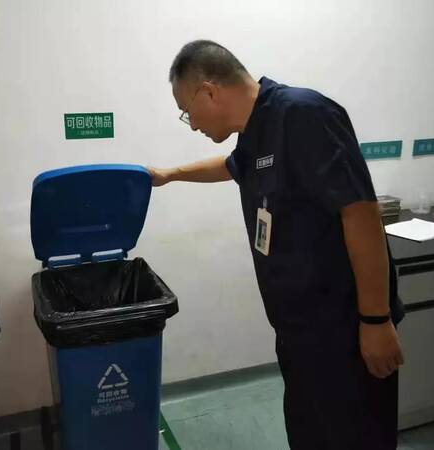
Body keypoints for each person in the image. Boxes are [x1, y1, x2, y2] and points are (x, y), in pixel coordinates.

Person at [149, 40, 405, 450]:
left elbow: (361, 214)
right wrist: (170, 174)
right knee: (310, 437)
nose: (192, 124)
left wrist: (375, 321)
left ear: (209, 92)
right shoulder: (254, 131)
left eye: (186, 111)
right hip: (297, 336)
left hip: (344, 334)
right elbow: (232, 166)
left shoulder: (303, 114)